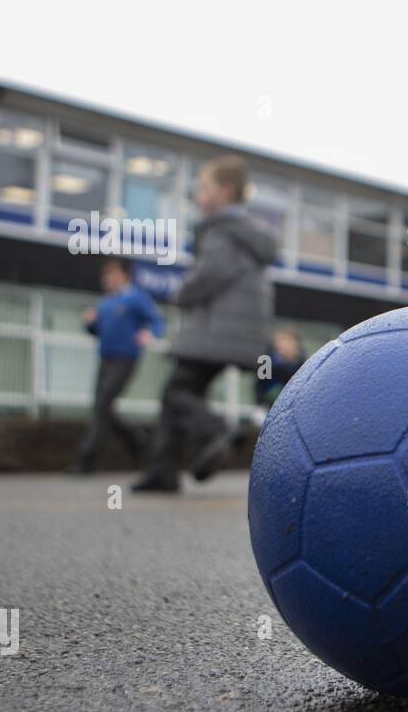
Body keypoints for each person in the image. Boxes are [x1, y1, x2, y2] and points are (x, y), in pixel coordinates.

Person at [133, 156, 278, 493]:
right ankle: (164, 472)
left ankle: (215, 430)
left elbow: (210, 274)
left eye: (204, 188)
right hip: (238, 333)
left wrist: (181, 293)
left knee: (177, 391)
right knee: (180, 395)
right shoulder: (250, 235)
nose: (199, 196)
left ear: (225, 191)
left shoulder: (222, 230)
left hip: (214, 331)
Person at [68, 258, 163, 474]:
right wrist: (90, 323)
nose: (107, 280)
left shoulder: (136, 298)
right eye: (105, 275)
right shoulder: (105, 303)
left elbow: (157, 320)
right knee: (101, 407)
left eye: (111, 274)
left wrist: (150, 333)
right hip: (105, 358)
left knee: (103, 403)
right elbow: (97, 331)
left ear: (124, 276)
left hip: (125, 358)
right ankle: (136, 438)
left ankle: (87, 460)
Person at [254, 326, 306, 411]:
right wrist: (261, 405)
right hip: (269, 407)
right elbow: (260, 386)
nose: (282, 349)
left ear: (295, 345)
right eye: (280, 345)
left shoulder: (303, 365)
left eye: (287, 343)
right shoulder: (266, 362)